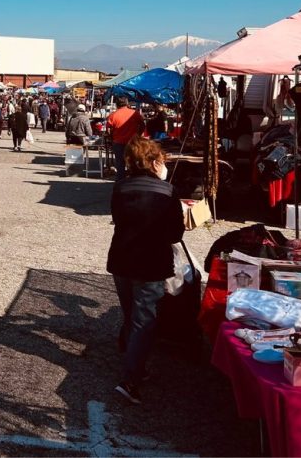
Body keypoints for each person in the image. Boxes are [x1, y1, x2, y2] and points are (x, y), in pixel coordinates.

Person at [107, 136, 184, 404]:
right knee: (144, 320)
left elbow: (117, 218)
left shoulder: (121, 187)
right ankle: (131, 378)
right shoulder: (168, 192)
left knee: (132, 314)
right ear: (154, 161)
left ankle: (134, 363)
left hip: (122, 259)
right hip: (151, 263)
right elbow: (175, 233)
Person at [107, 96, 144, 181]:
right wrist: (138, 135)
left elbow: (109, 130)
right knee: (133, 162)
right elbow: (142, 125)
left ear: (116, 104)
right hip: (132, 142)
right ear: (127, 103)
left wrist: (112, 137)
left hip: (118, 142)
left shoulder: (113, 115)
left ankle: (121, 183)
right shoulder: (135, 113)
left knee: (120, 164)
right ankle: (134, 180)